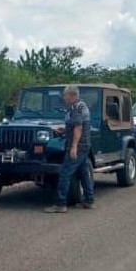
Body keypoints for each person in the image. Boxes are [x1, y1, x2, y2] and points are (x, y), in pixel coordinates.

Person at [44, 85, 95, 213]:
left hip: (78, 145)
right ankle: (89, 200)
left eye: (65, 95)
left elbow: (78, 127)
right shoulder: (80, 106)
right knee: (83, 172)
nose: (64, 98)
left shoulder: (76, 108)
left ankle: (60, 204)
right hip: (84, 145)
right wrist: (65, 130)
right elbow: (76, 126)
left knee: (65, 173)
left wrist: (73, 147)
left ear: (72, 95)